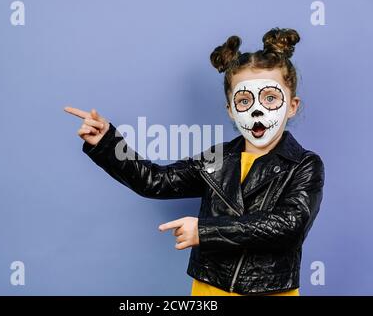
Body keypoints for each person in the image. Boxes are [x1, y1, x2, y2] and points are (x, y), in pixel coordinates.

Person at [64, 27, 325, 296]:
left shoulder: (304, 164)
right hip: (210, 289)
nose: (257, 109)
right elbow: (156, 181)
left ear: (292, 105)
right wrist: (108, 142)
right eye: (244, 100)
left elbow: (289, 226)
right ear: (231, 111)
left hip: (269, 291)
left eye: (270, 98)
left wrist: (205, 231)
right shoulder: (217, 159)